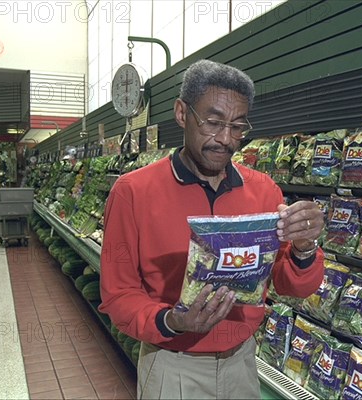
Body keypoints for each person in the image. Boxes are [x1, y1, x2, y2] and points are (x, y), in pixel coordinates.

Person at [98, 59, 325, 399]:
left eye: (237, 127)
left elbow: (287, 283)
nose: (225, 139)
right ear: (181, 113)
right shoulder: (133, 192)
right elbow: (118, 295)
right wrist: (172, 321)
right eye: (213, 122)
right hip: (172, 366)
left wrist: (305, 248)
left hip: (243, 364)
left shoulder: (264, 191)